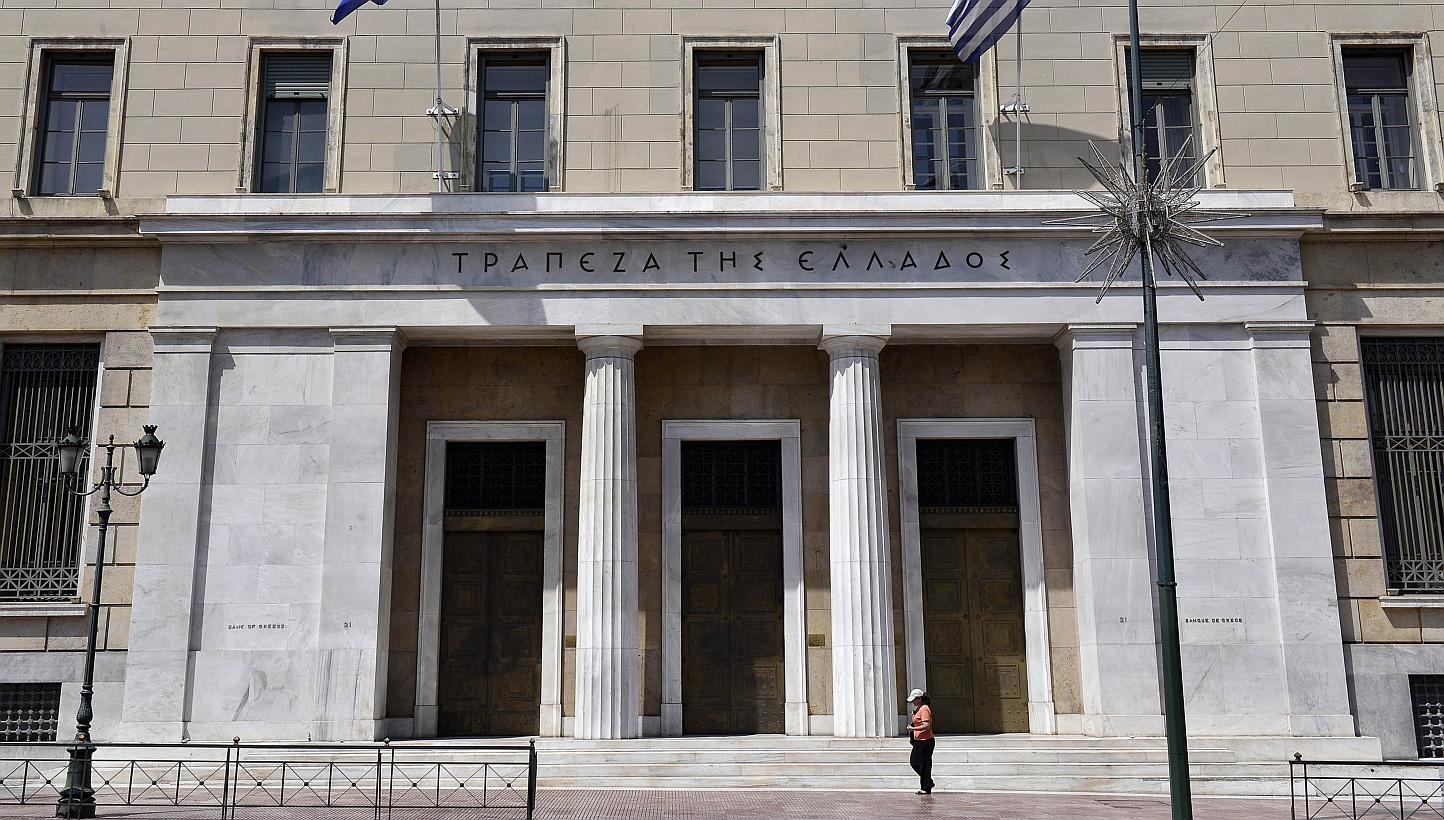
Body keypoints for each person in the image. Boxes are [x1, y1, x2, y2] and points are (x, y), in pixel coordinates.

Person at [906, 688, 936, 795]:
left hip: (926, 741)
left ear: (919, 699)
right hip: (918, 741)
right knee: (914, 762)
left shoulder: (924, 709)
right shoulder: (918, 709)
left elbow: (926, 725)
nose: (913, 702)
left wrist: (912, 729)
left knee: (924, 764)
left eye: (914, 700)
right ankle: (928, 782)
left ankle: (926, 787)